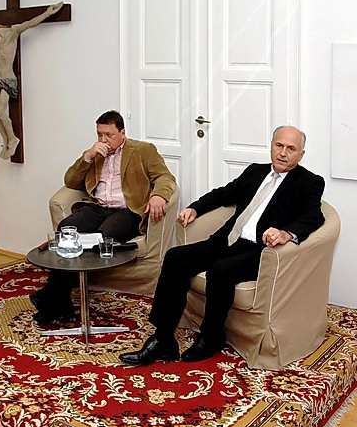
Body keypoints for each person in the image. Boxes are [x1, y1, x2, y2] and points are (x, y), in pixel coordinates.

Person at [119, 125, 325, 365]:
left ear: (301, 154)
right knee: (175, 257)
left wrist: (286, 234)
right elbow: (223, 194)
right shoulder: (255, 171)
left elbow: (314, 215)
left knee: (220, 270)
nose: (283, 153)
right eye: (279, 145)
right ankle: (163, 339)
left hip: (261, 250)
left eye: (291, 149)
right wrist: (195, 208)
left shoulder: (309, 182)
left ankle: (211, 337)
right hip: (227, 240)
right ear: (271, 146)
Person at [30, 110, 176, 322]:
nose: (103, 139)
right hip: (97, 207)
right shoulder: (95, 153)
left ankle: (52, 297)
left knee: (103, 237)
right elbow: (71, 181)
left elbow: (165, 177)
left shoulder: (143, 150)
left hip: (127, 210)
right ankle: (59, 299)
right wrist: (88, 157)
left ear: (122, 132)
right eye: (99, 134)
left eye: (109, 134)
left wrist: (159, 195)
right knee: (66, 230)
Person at [0, 2, 63, 160]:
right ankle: (6, 141)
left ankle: (13, 138)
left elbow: (30, 23)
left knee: (0, 111)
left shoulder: (12, 32)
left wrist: (48, 13)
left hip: (8, 79)